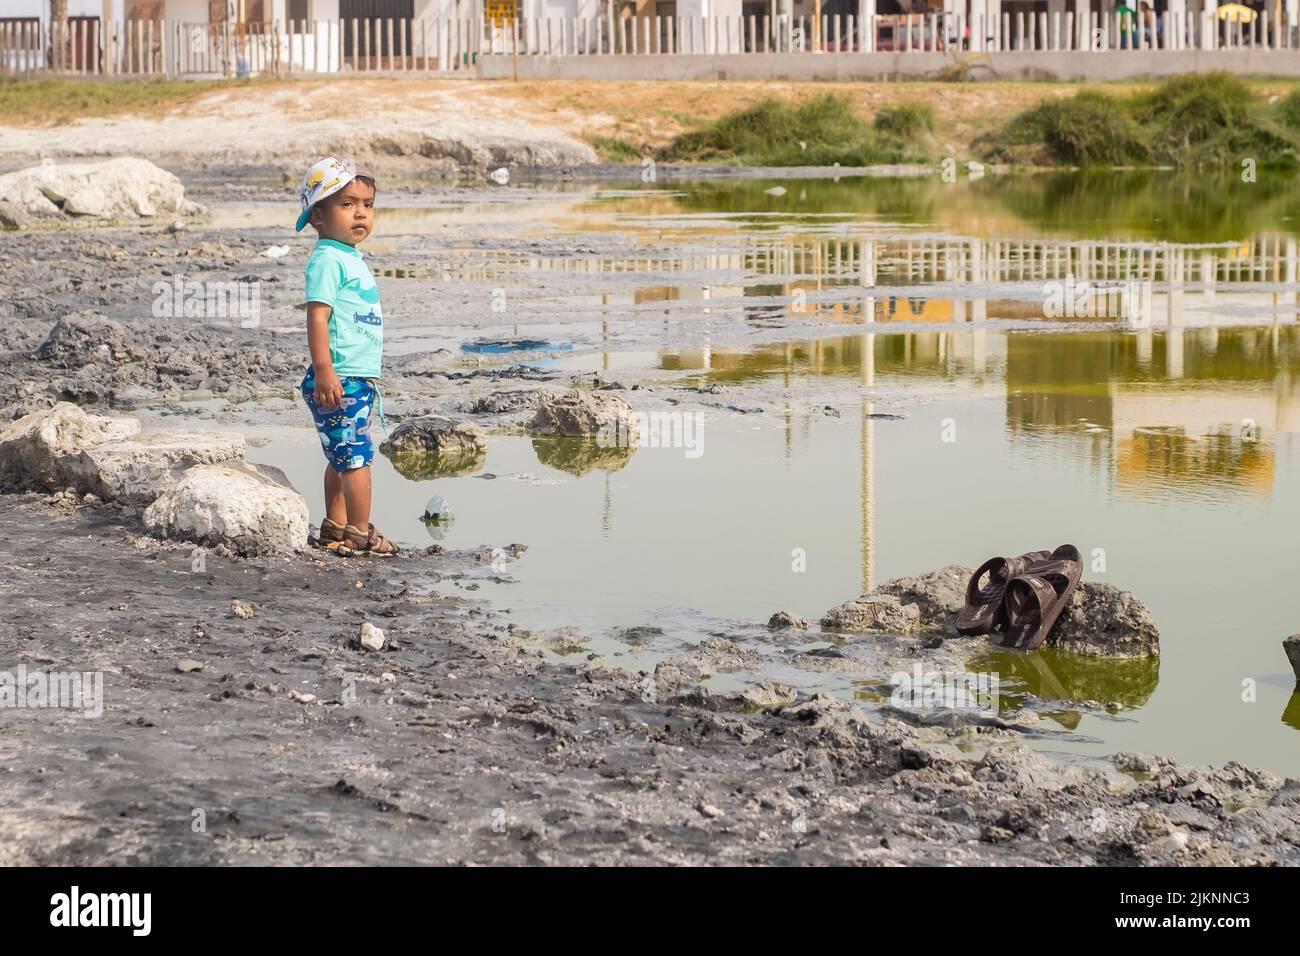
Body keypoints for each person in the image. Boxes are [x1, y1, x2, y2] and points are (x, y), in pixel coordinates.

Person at [293, 156, 398, 556]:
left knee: (342, 455)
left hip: (354, 377)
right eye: (347, 204)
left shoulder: (348, 256)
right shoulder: (327, 259)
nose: (360, 214)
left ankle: (335, 528)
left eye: (368, 205)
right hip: (340, 377)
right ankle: (359, 532)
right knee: (357, 460)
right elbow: (317, 318)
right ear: (318, 216)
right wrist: (325, 371)